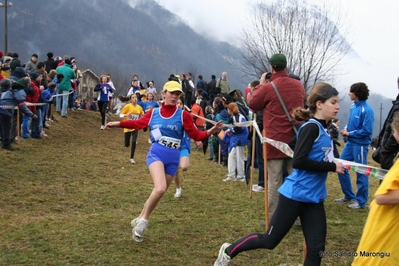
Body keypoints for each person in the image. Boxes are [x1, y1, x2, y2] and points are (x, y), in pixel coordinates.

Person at [214, 83, 345, 266]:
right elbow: (299, 161)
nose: (338, 106)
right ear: (319, 104)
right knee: (269, 240)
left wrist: (336, 160)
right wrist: (332, 167)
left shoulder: (323, 129)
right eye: (333, 102)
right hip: (295, 195)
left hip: (314, 199)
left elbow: (298, 148)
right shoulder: (311, 128)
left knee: (317, 248)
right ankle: (228, 251)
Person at [104, 80, 222, 242]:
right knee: (159, 189)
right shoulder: (154, 113)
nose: (174, 97)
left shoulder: (183, 115)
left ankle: (139, 218)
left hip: (173, 159)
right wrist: (118, 124)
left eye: (177, 94)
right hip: (157, 153)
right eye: (172, 93)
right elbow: (137, 123)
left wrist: (211, 131)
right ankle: (143, 222)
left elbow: (196, 135)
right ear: (164, 93)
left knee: (158, 192)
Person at [247, 53, 305, 220]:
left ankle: (274, 220)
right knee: (297, 180)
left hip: (274, 142)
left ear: (272, 67)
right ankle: (300, 217)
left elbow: (252, 104)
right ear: (285, 66)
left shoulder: (267, 87)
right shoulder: (298, 86)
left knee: (274, 182)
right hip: (295, 140)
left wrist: (261, 84)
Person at [352, 112, 399, 266]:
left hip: (390, 228)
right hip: (382, 223)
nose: (393, 136)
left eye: (393, 132)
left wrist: (381, 198)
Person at [335, 82, 374, 209]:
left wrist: (349, 133)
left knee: (361, 172)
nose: (348, 93)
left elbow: (367, 131)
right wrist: (346, 129)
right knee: (341, 167)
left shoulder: (367, 110)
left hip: (360, 145)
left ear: (356, 94)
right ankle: (349, 195)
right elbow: (350, 123)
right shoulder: (353, 107)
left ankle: (361, 201)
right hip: (350, 143)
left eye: (351, 91)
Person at [0, 77, 37, 150]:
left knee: (3, 127)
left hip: (3, 108)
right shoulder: (20, 91)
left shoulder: (15, 88)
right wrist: (31, 114)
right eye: (29, 83)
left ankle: (4, 142)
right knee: (7, 127)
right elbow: (22, 105)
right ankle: (6, 144)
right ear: (27, 84)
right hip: (5, 110)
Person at [223, 102, 249, 182]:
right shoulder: (234, 116)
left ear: (230, 110)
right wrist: (230, 130)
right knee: (232, 156)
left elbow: (240, 128)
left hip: (240, 140)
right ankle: (231, 175)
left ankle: (241, 176)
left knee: (239, 157)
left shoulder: (239, 117)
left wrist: (231, 130)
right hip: (235, 139)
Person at [119, 93, 144, 164]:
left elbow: (143, 115)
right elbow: (120, 114)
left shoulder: (139, 107)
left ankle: (132, 158)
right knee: (127, 144)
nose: (135, 99)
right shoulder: (127, 106)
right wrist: (126, 115)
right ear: (130, 99)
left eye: (135, 97)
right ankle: (126, 144)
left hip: (135, 126)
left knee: (134, 142)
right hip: (127, 127)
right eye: (133, 97)